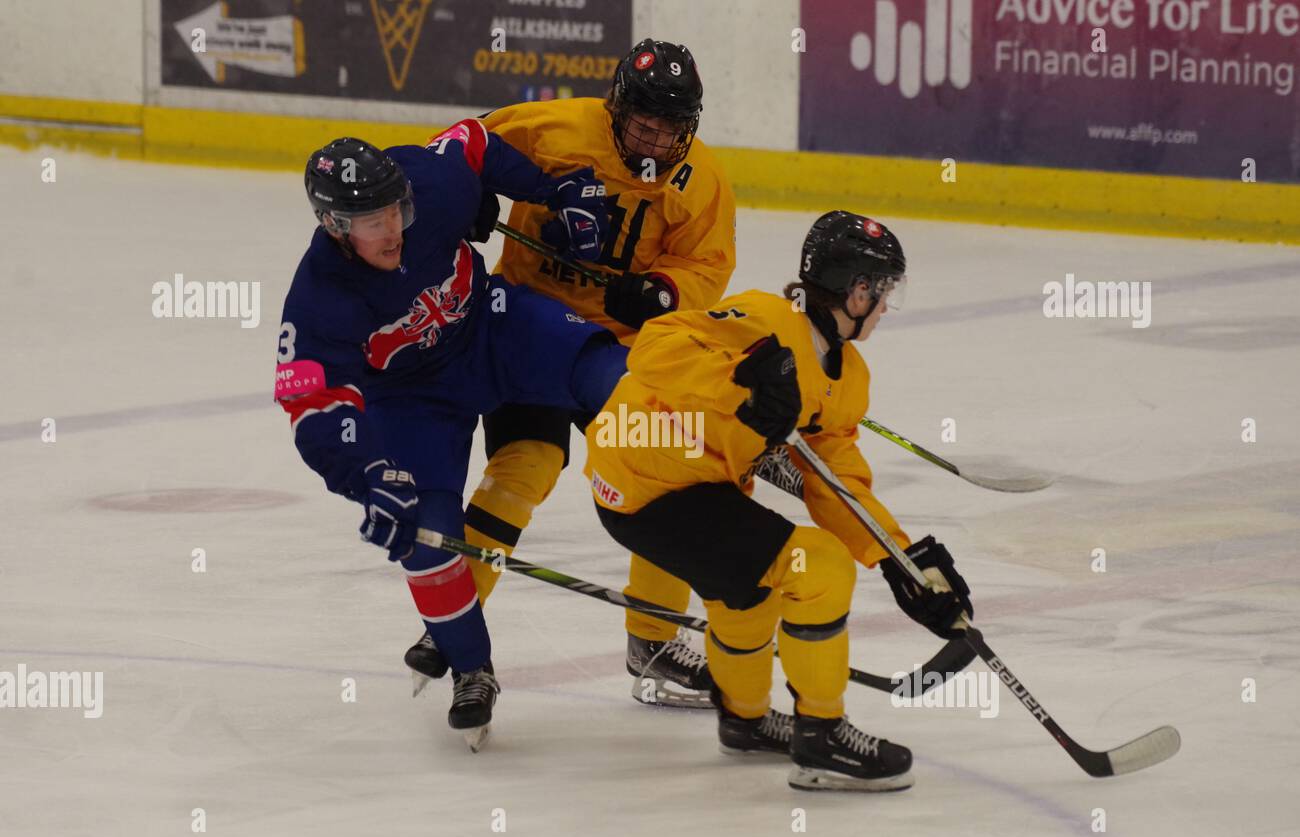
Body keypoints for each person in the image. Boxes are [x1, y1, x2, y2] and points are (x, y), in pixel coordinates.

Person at [583, 211, 975, 790]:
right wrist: (740, 380)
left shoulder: (848, 376)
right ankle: (822, 735)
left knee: (749, 593)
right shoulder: (765, 319)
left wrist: (901, 558)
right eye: (884, 290)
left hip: (703, 486)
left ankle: (743, 722)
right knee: (816, 567)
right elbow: (655, 345)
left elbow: (835, 481)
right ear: (857, 290)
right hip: (643, 478)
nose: (887, 306)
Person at [274, 130, 627, 750]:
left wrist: (553, 191)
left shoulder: (428, 184)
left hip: (490, 328)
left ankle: (734, 448)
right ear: (333, 224)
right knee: (425, 532)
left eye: (395, 212)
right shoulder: (317, 298)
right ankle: (471, 669)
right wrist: (367, 477)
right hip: (412, 402)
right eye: (371, 221)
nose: (392, 230)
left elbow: (475, 144)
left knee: (611, 374)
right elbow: (312, 405)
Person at [456, 39, 738, 707]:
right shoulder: (555, 127)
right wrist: (464, 200)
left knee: (669, 479)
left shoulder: (701, 180)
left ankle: (655, 641)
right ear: (617, 108)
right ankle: (459, 638)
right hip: (531, 332)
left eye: (672, 128)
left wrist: (662, 292)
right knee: (522, 468)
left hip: (626, 354)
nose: (657, 138)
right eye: (645, 123)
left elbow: (707, 266)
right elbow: (460, 151)